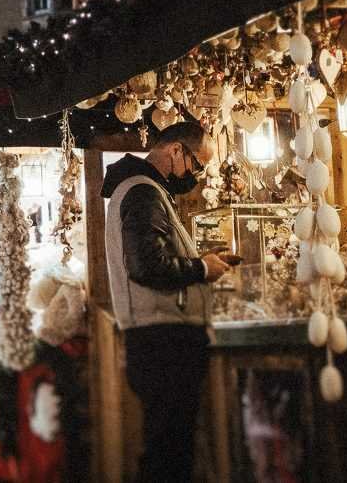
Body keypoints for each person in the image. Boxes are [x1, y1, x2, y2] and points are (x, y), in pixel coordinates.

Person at [101, 119, 233, 483]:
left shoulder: (141, 190)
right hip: (163, 342)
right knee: (169, 454)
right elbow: (148, 266)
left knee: (167, 448)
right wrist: (201, 268)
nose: (197, 175)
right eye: (198, 165)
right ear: (175, 150)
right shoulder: (143, 191)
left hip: (157, 340)